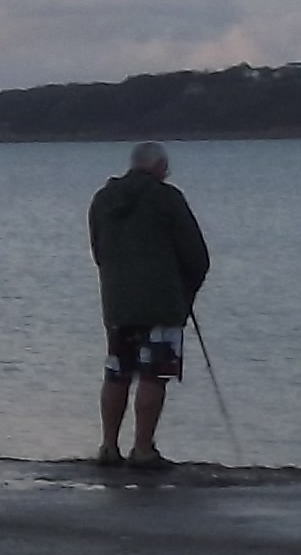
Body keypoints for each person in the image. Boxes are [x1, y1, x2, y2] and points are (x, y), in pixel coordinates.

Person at [88, 139, 211, 469]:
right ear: (159, 167)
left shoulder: (102, 200)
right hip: (162, 303)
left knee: (117, 373)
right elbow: (196, 256)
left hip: (117, 304)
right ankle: (142, 449)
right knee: (154, 376)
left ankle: (108, 447)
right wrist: (186, 292)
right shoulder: (167, 198)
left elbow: (98, 251)